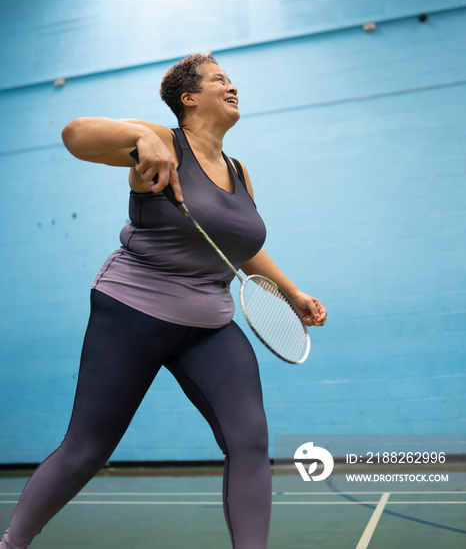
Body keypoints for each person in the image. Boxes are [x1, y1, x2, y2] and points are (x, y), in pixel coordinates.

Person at [1, 53, 327, 549]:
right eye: (220, 80)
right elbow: (74, 133)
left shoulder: (239, 170)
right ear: (189, 98)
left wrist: (292, 290)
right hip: (134, 311)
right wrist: (141, 138)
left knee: (250, 440)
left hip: (209, 323)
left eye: (232, 80)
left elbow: (242, 242)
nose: (232, 86)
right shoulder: (163, 143)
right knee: (87, 448)